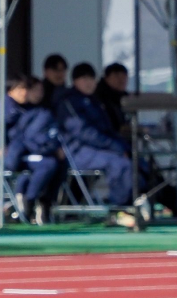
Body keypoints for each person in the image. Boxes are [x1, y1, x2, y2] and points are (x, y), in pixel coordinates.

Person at [0, 75, 64, 222]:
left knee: (54, 165)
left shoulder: (27, 109)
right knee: (46, 166)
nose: (24, 93)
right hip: (1, 158)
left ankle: (38, 203)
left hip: (20, 155)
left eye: (26, 89)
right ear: (10, 90)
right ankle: (27, 203)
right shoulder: (2, 107)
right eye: (20, 89)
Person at [53, 62, 132, 206]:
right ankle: (119, 206)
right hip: (77, 151)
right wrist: (117, 147)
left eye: (91, 79)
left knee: (139, 163)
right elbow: (84, 133)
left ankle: (139, 202)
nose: (89, 83)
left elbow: (107, 130)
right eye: (84, 79)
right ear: (75, 81)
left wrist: (123, 146)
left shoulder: (94, 101)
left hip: (95, 149)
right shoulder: (69, 102)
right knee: (119, 163)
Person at [95, 62, 130, 135]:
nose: (121, 80)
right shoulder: (100, 98)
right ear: (107, 78)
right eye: (117, 76)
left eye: (124, 77)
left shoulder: (124, 99)